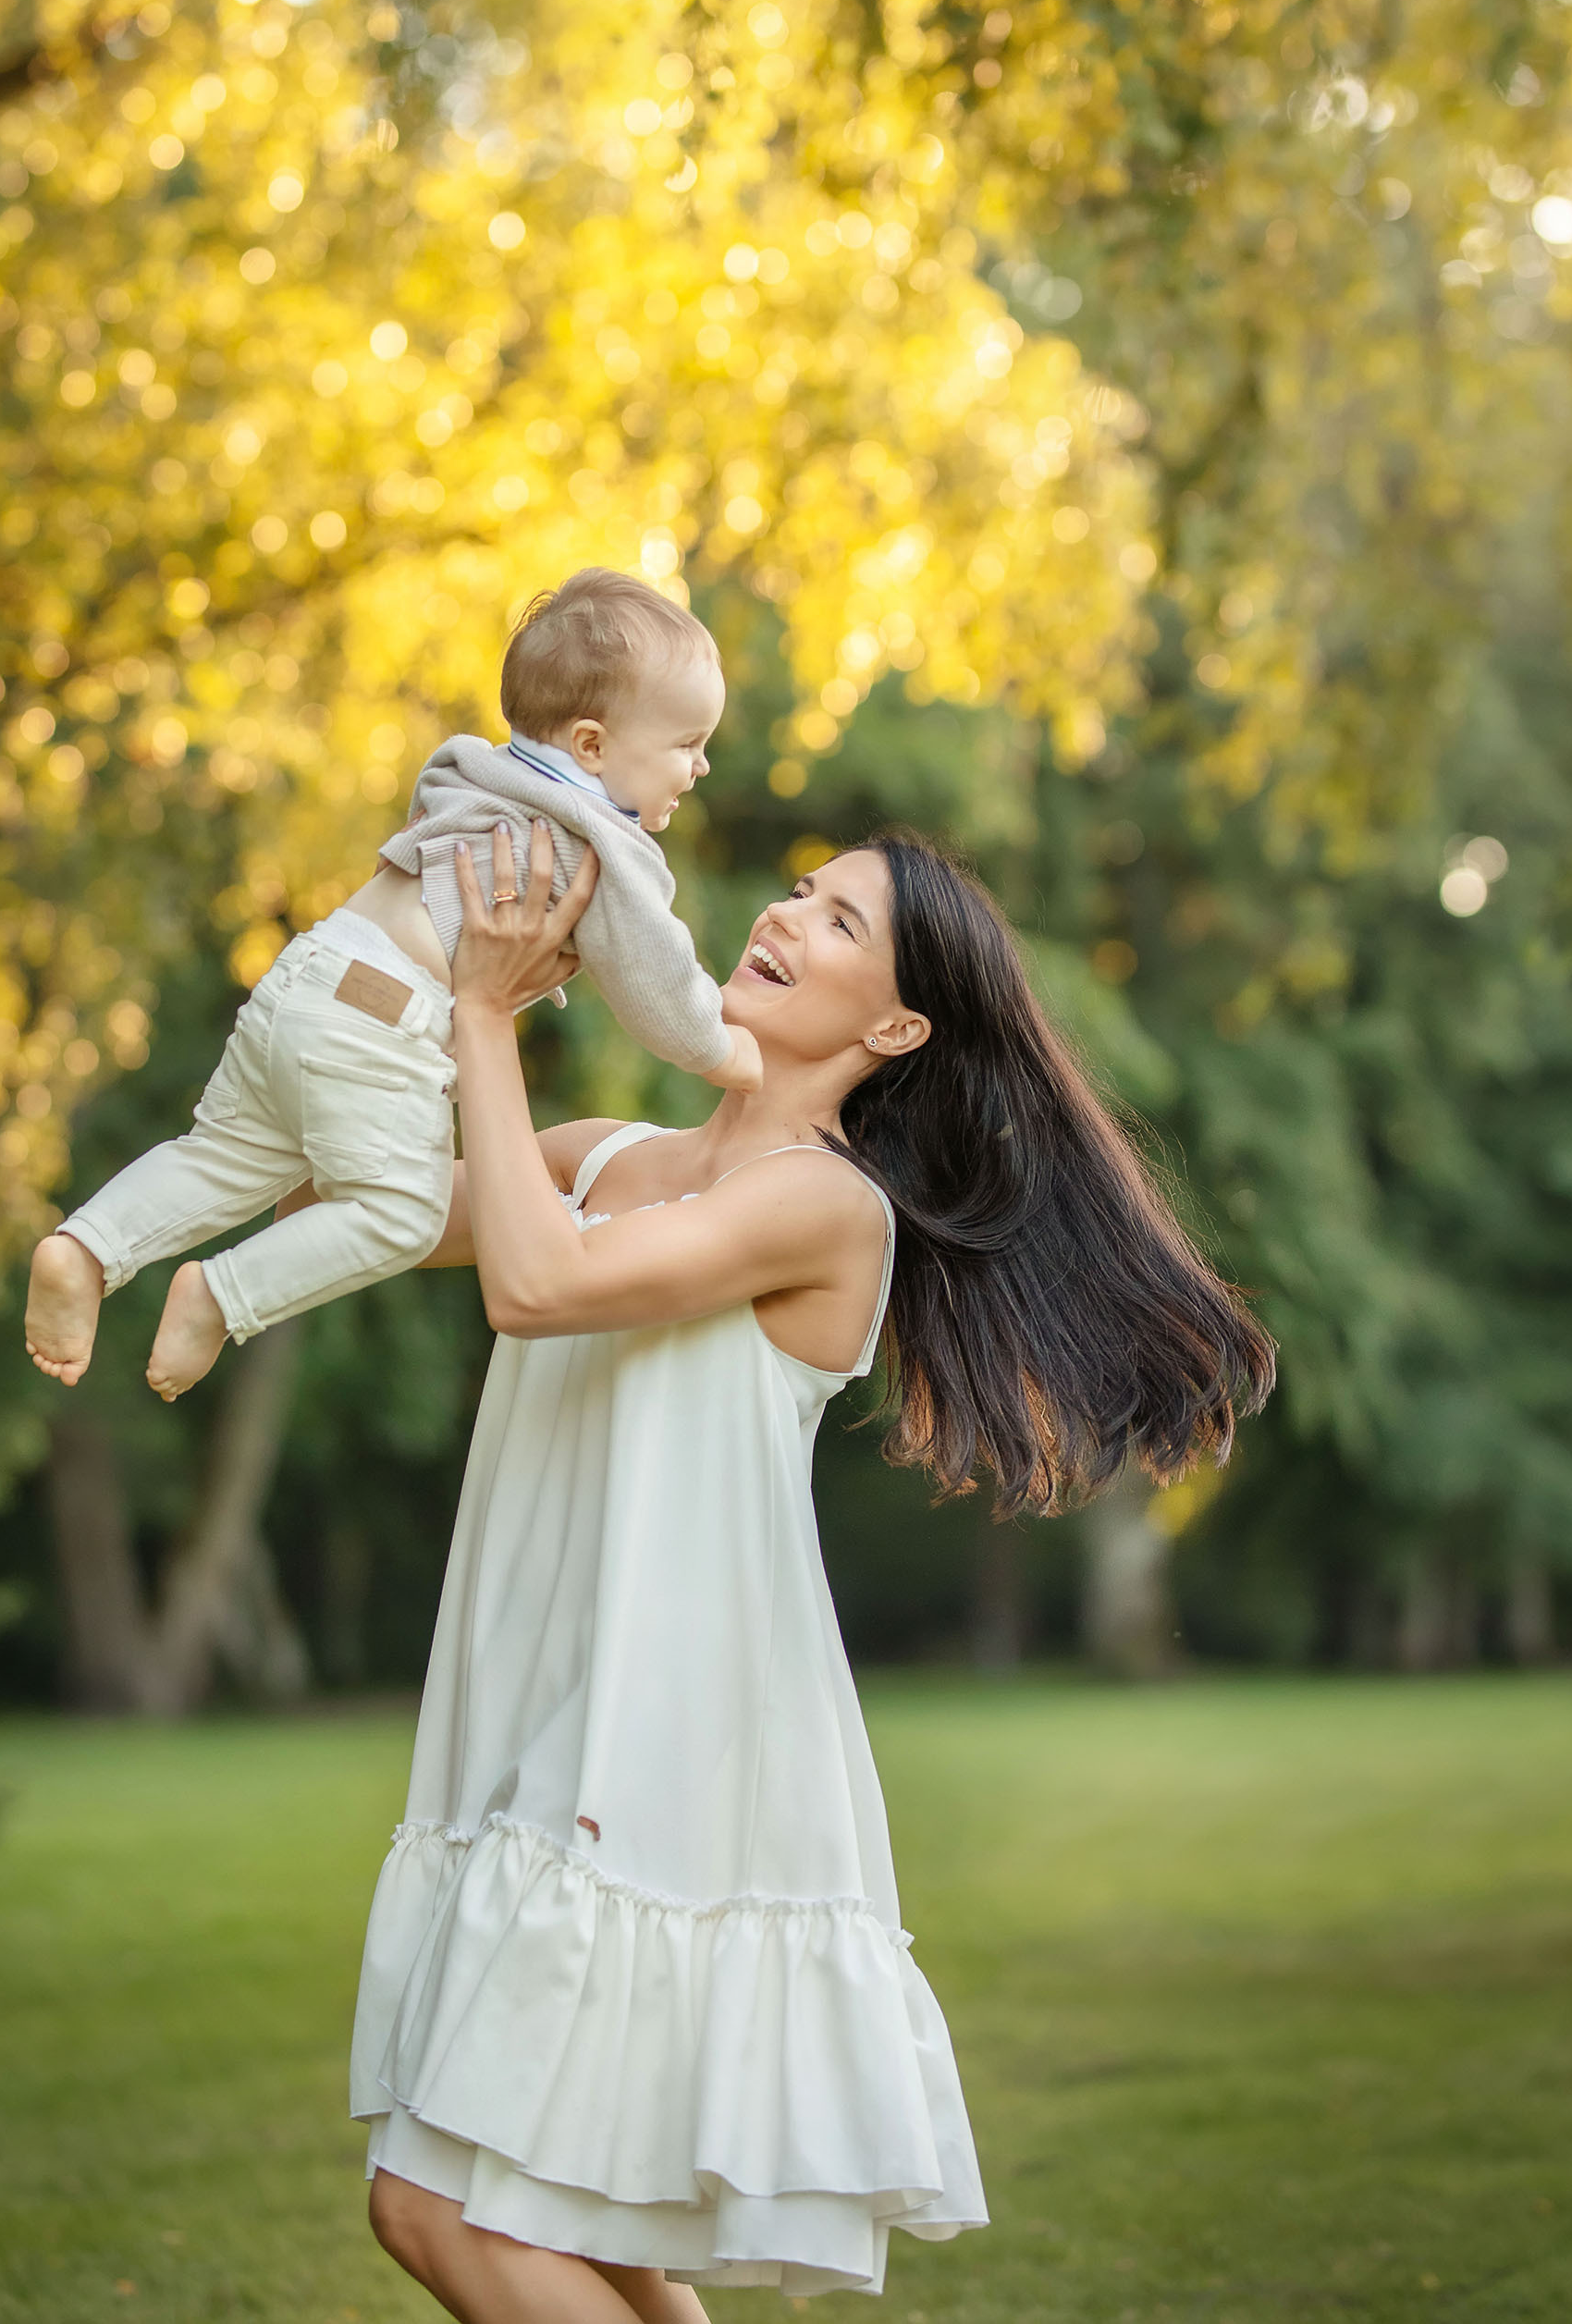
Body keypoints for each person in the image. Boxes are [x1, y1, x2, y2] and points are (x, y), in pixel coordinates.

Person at [355, 817, 1276, 2322]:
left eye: (843, 922)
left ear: (897, 1027)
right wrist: (386, 972)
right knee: (572, 2223)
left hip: (659, 1747)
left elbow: (535, 1285)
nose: (786, 917)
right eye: (800, 893)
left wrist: (482, 1014)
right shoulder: (602, 1158)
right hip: (549, 1706)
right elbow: (356, 1211)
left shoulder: (826, 1205)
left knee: (438, 2205)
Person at [20, 570, 761, 1403]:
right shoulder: (602, 842)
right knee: (403, 1214)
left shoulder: (472, 766)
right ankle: (220, 1298)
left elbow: (418, 831)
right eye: (687, 745)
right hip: (381, 1021)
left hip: (311, 971)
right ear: (591, 746)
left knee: (223, 1155)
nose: (700, 766)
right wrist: (728, 1051)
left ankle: (85, 1249)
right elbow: (660, 985)